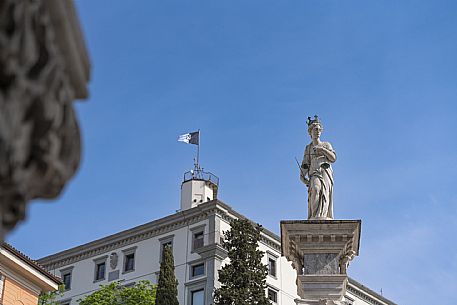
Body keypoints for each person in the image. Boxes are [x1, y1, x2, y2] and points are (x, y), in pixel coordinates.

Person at [300, 116, 336, 220]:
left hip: (325, 172)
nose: (318, 132)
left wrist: (323, 150)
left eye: (319, 130)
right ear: (310, 132)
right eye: (316, 129)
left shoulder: (326, 144)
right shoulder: (308, 148)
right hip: (314, 173)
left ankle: (322, 215)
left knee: (324, 193)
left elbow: (333, 158)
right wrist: (302, 177)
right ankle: (314, 216)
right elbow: (305, 164)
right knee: (315, 189)